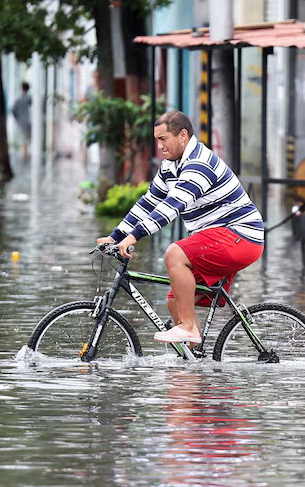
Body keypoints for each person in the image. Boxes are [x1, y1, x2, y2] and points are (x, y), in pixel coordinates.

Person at [97, 110, 264, 344]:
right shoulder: (169, 166)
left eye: (163, 139)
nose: (160, 147)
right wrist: (115, 236)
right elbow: (149, 202)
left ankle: (188, 327)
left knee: (175, 253)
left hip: (240, 237)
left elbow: (172, 206)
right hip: (216, 239)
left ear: (183, 135)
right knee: (175, 300)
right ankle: (192, 362)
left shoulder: (199, 163)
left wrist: (134, 236)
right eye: (157, 141)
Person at [11, 82, 31, 159]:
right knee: (26, 138)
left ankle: (24, 153)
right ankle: (25, 153)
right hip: (27, 121)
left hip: (20, 122)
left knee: (23, 137)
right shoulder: (29, 98)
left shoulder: (18, 99)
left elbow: (13, 110)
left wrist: (17, 119)